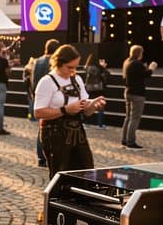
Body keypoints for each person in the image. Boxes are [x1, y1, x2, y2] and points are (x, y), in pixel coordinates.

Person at [34, 43, 107, 178]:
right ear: (58, 63)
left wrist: (93, 105)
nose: (73, 71)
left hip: (77, 132)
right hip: (54, 132)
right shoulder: (47, 82)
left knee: (86, 170)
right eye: (69, 67)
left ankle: (83, 199)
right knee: (60, 174)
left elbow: (86, 110)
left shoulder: (77, 79)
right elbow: (38, 112)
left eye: (75, 67)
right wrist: (65, 110)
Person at [32, 38, 60, 167]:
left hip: (40, 97)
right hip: (51, 98)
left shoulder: (37, 61)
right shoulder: (53, 64)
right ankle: (50, 155)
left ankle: (40, 157)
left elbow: (33, 80)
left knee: (42, 127)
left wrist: (34, 95)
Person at [120, 45, 155, 147]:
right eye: (141, 53)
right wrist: (151, 68)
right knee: (134, 118)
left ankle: (124, 139)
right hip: (137, 94)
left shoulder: (127, 62)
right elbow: (146, 74)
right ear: (138, 53)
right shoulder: (136, 64)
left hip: (128, 91)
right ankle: (130, 141)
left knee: (128, 117)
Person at [83, 53, 109, 129]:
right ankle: (100, 124)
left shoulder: (87, 68)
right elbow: (106, 75)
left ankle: (86, 122)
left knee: (88, 104)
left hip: (89, 88)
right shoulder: (99, 68)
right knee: (100, 105)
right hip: (98, 88)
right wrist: (103, 67)